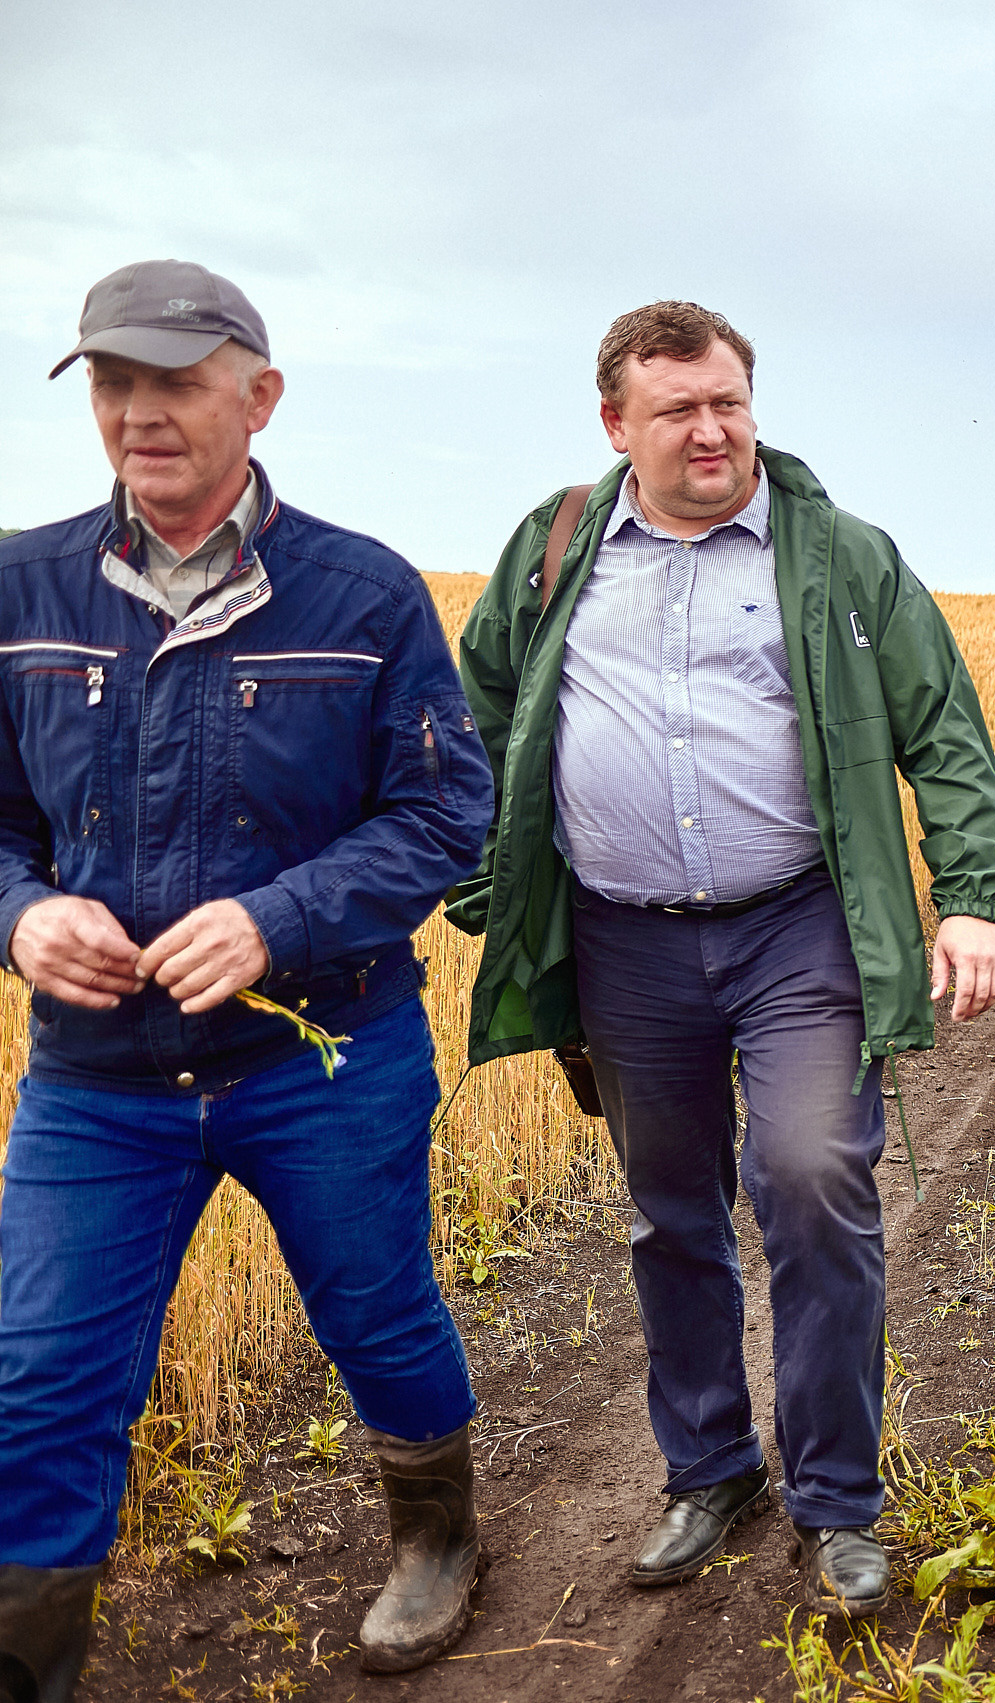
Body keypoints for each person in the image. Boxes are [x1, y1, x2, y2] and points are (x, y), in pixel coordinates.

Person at [450, 301, 995, 1620]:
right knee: (671, 1211)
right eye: (678, 410)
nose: (711, 431)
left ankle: (837, 1502)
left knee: (813, 1175)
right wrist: (485, 877)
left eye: (729, 403)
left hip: (797, 926)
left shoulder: (838, 557)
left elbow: (940, 724)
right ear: (617, 424)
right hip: (621, 939)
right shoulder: (553, 552)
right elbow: (475, 713)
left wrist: (976, 896)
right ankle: (708, 1472)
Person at [0, 260, 497, 1693]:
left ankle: (438, 1540)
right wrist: (23, 915)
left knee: (379, 1312)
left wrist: (281, 918)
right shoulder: (24, 588)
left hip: (320, 1054)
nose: (138, 413)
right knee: (40, 1378)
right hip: (98, 1084)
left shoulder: (362, 593)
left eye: (172, 381)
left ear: (257, 395)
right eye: (112, 384)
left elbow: (443, 815)